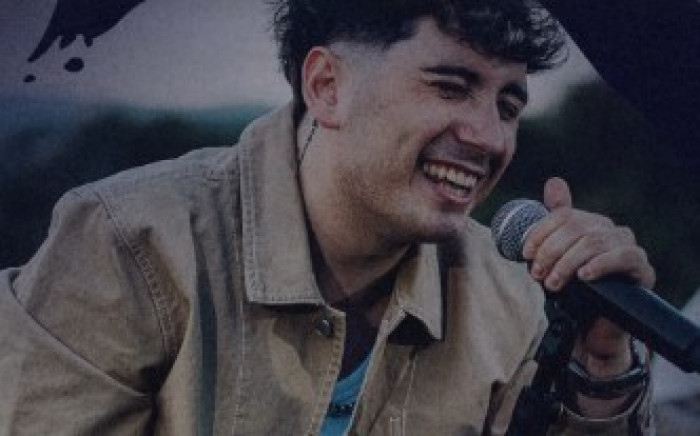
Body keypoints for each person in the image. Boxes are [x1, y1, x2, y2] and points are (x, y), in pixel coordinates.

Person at [0, 0, 657, 434]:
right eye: (449, 87)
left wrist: (601, 363)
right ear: (327, 87)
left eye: (508, 107)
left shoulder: (516, 299)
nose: (489, 137)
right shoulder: (124, 242)